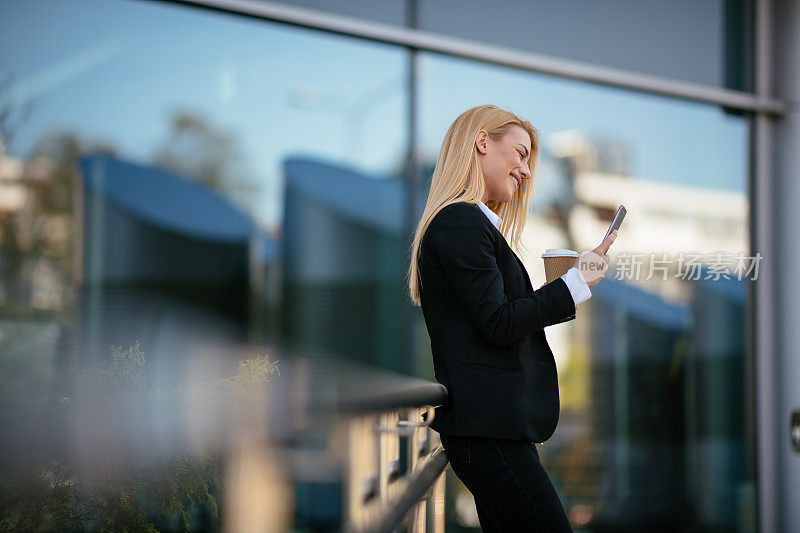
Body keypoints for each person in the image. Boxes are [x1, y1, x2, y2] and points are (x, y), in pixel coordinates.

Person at [406, 104, 617, 532]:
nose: (525, 170)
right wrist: (576, 284)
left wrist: (569, 286)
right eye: (520, 153)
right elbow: (500, 321)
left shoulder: (472, 225)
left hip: (495, 430)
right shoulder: (460, 221)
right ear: (482, 142)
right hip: (489, 433)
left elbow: (495, 318)